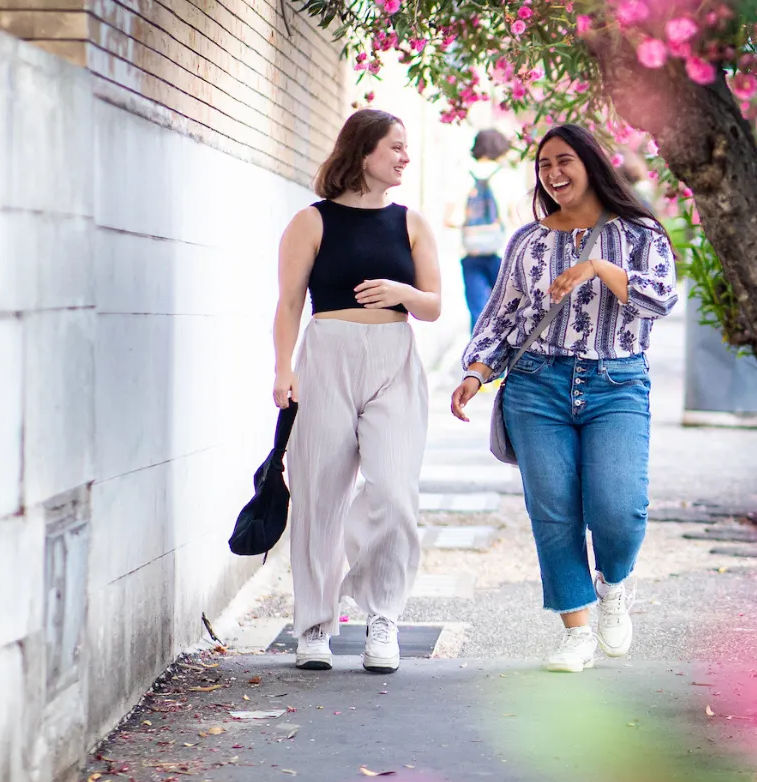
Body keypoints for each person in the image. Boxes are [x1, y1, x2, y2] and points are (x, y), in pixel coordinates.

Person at [449, 124, 679, 672]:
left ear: (591, 163)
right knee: (552, 513)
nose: (553, 174)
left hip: (617, 382)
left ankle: (614, 583)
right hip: (536, 385)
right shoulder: (528, 242)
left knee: (619, 510)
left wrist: (599, 268)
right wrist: (477, 374)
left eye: (564, 161)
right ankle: (576, 633)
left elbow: (660, 300)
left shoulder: (642, 234)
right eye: (544, 165)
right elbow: (502, 318)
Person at [272, 109, 443, 673]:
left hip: (394, 357)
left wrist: (401, 290)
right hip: (325, 358)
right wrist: (282, 369)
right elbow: (290, 303)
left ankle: (382, 615)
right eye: (395, 147)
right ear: (363, 150)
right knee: (318, 495)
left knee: (394, 491)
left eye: (406, 147)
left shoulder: (412, 223)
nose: (404, 157)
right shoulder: (312, 221)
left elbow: (434, 306)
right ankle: (316, 625)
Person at [454, 129, 519, 331]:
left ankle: (477, 356)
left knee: (477, 310)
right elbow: (516, 217)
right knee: (505, 308)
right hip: (502, 252)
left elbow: (451, 218)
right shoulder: (508, 176)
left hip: (470, 251)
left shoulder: (462, 174)